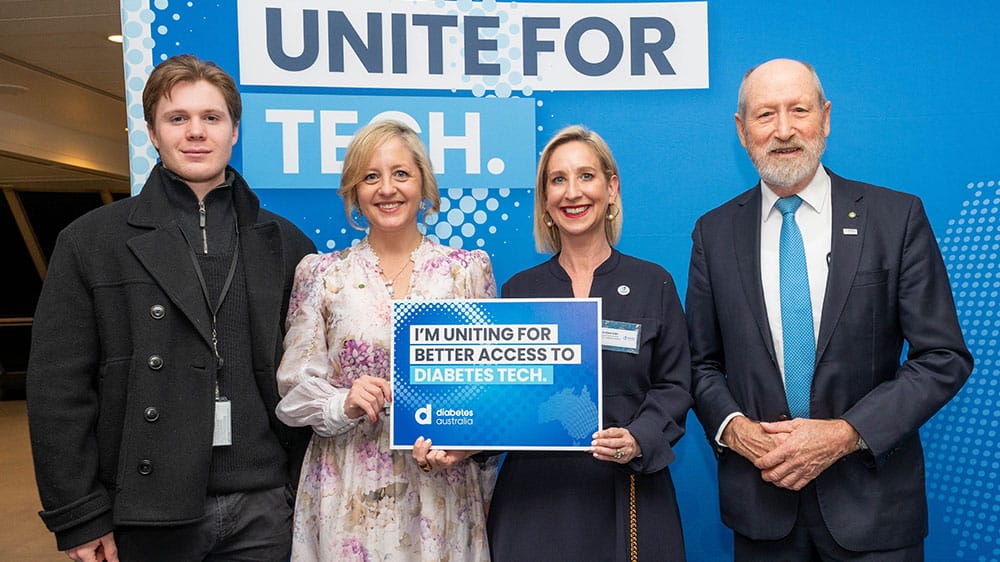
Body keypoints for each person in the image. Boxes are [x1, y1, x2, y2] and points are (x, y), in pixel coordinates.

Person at [26, 54, 316, 561]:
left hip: (268, 506)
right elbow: (58, 389)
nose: (196, 132)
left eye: (211, 118)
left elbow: (312, 376)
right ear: (153, 134)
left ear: (234, 130)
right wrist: (79, 515)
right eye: (177, 118)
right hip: (147, 510)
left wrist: (302, 493)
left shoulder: (287, 243)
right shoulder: (91, 243)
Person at [685, 58, 974, 561]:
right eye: (765, 115)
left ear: (826, 117)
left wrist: (847, 433)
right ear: (741, 129)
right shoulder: (714, 233)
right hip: (762, 510)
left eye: (798, 110)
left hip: (876, 512)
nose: (783, 130)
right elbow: (699, 363)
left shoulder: (895, 218)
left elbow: (943, 357)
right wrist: (737, 430)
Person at [274, 119, 498, 561]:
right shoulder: (322, 274)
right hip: (349, 482)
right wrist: (343, 401)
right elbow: (293, 389)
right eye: (370, 176)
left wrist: (466, 445)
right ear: (354, 191)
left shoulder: (466, 270)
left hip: (439, 486)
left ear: (423, 185)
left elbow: (491, 385)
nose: (386, 188)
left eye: (400, 173)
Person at [487, 125, 692, 561]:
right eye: (557, 180)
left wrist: (638, 437)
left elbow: (675, 386)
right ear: (544, 201)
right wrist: (456, 441)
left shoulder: (652, 282)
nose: (572, 192)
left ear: (611, 188)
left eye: (586, 176)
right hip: (535, 504)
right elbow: (498, 401)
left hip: (629, 493)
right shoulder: (518, 291)